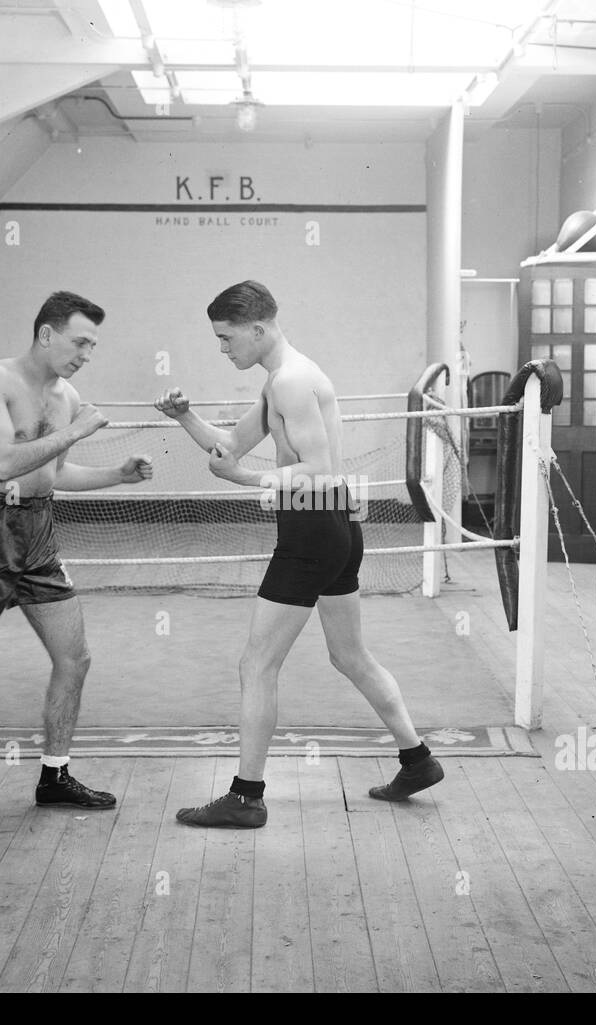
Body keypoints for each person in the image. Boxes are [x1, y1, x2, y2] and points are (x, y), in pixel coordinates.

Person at [153, 280, 442, 828]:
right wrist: (186, 418)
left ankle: (245, 797)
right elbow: (228, 445)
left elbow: (319, 469)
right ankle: (417, 760)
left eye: (226, 338)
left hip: (311, 531)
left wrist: (243, 478)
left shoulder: (290, 382)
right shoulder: (279, 382)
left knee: (256, 664)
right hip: (333, 528)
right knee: (350, 655)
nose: (223, 349)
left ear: (258, 329)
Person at [0, 291, 153, 830]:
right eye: (80, 341)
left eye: (93, 344)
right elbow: (2, 463)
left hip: (39, 531)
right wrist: (77, 431)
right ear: (47, 334)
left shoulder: (66, 397)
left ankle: (54, 775)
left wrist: (117, 474)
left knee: (76, 658)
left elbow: (54, 474)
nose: (87, 353)